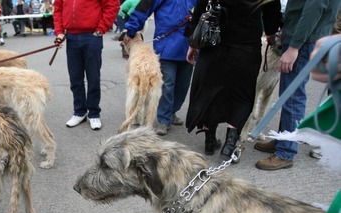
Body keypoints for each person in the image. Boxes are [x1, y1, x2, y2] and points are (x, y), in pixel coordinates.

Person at [185, 0, 281, 158]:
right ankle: (229, 145)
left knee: (210, 92)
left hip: (213, 41)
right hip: (247, 47)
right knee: (241, 96)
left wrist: (193, 43)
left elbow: (201, 9)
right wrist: (270, 34)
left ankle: (209, 141)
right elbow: (272, 16)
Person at [254, 0, 341, 170]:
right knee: (290, 93)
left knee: (292, 95)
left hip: (304, 40)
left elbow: (313, 10)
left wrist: (294, 46)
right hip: (307, 36)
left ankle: (285, 152)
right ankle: (283, 139)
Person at [123, 0, 196, 136]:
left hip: (190, 45)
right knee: (168, 84)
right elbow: (143, 9)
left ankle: (172, 111)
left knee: (183, 85)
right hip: (167, 45)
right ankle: (164, 119)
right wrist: (131, 29)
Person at [53, 0, 119, 130]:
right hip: (71, 37)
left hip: (92, 35)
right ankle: (79, 111)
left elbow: (112, 5)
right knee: (75, 78)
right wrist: (59, 31)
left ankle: (94, 113)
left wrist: (101, 28)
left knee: (93, 77)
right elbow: (58, 9)